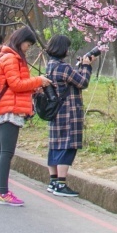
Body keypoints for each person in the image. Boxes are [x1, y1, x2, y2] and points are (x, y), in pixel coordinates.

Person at [0, 26, 50, 206]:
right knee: (6, 153)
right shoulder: (10, 58)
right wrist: (39, 80)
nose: (28, 48)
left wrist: (33, 86)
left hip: (7, 107)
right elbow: (15, 84)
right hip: (10, 109)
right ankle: (3, 192)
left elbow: (16, 84)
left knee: (1, 152)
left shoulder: (6, 55)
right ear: (20, 40)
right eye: (27, 44)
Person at [43, 35, 94, 197]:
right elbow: (82, 82)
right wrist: (86, 66)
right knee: (68, 146)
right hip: (69, 113)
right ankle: (61, 183)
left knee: (55, 146)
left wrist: (78, 67)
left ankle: (53, 181)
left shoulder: (50, 66)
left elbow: (71, 80)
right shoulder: (63, 67)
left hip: (56, 112)